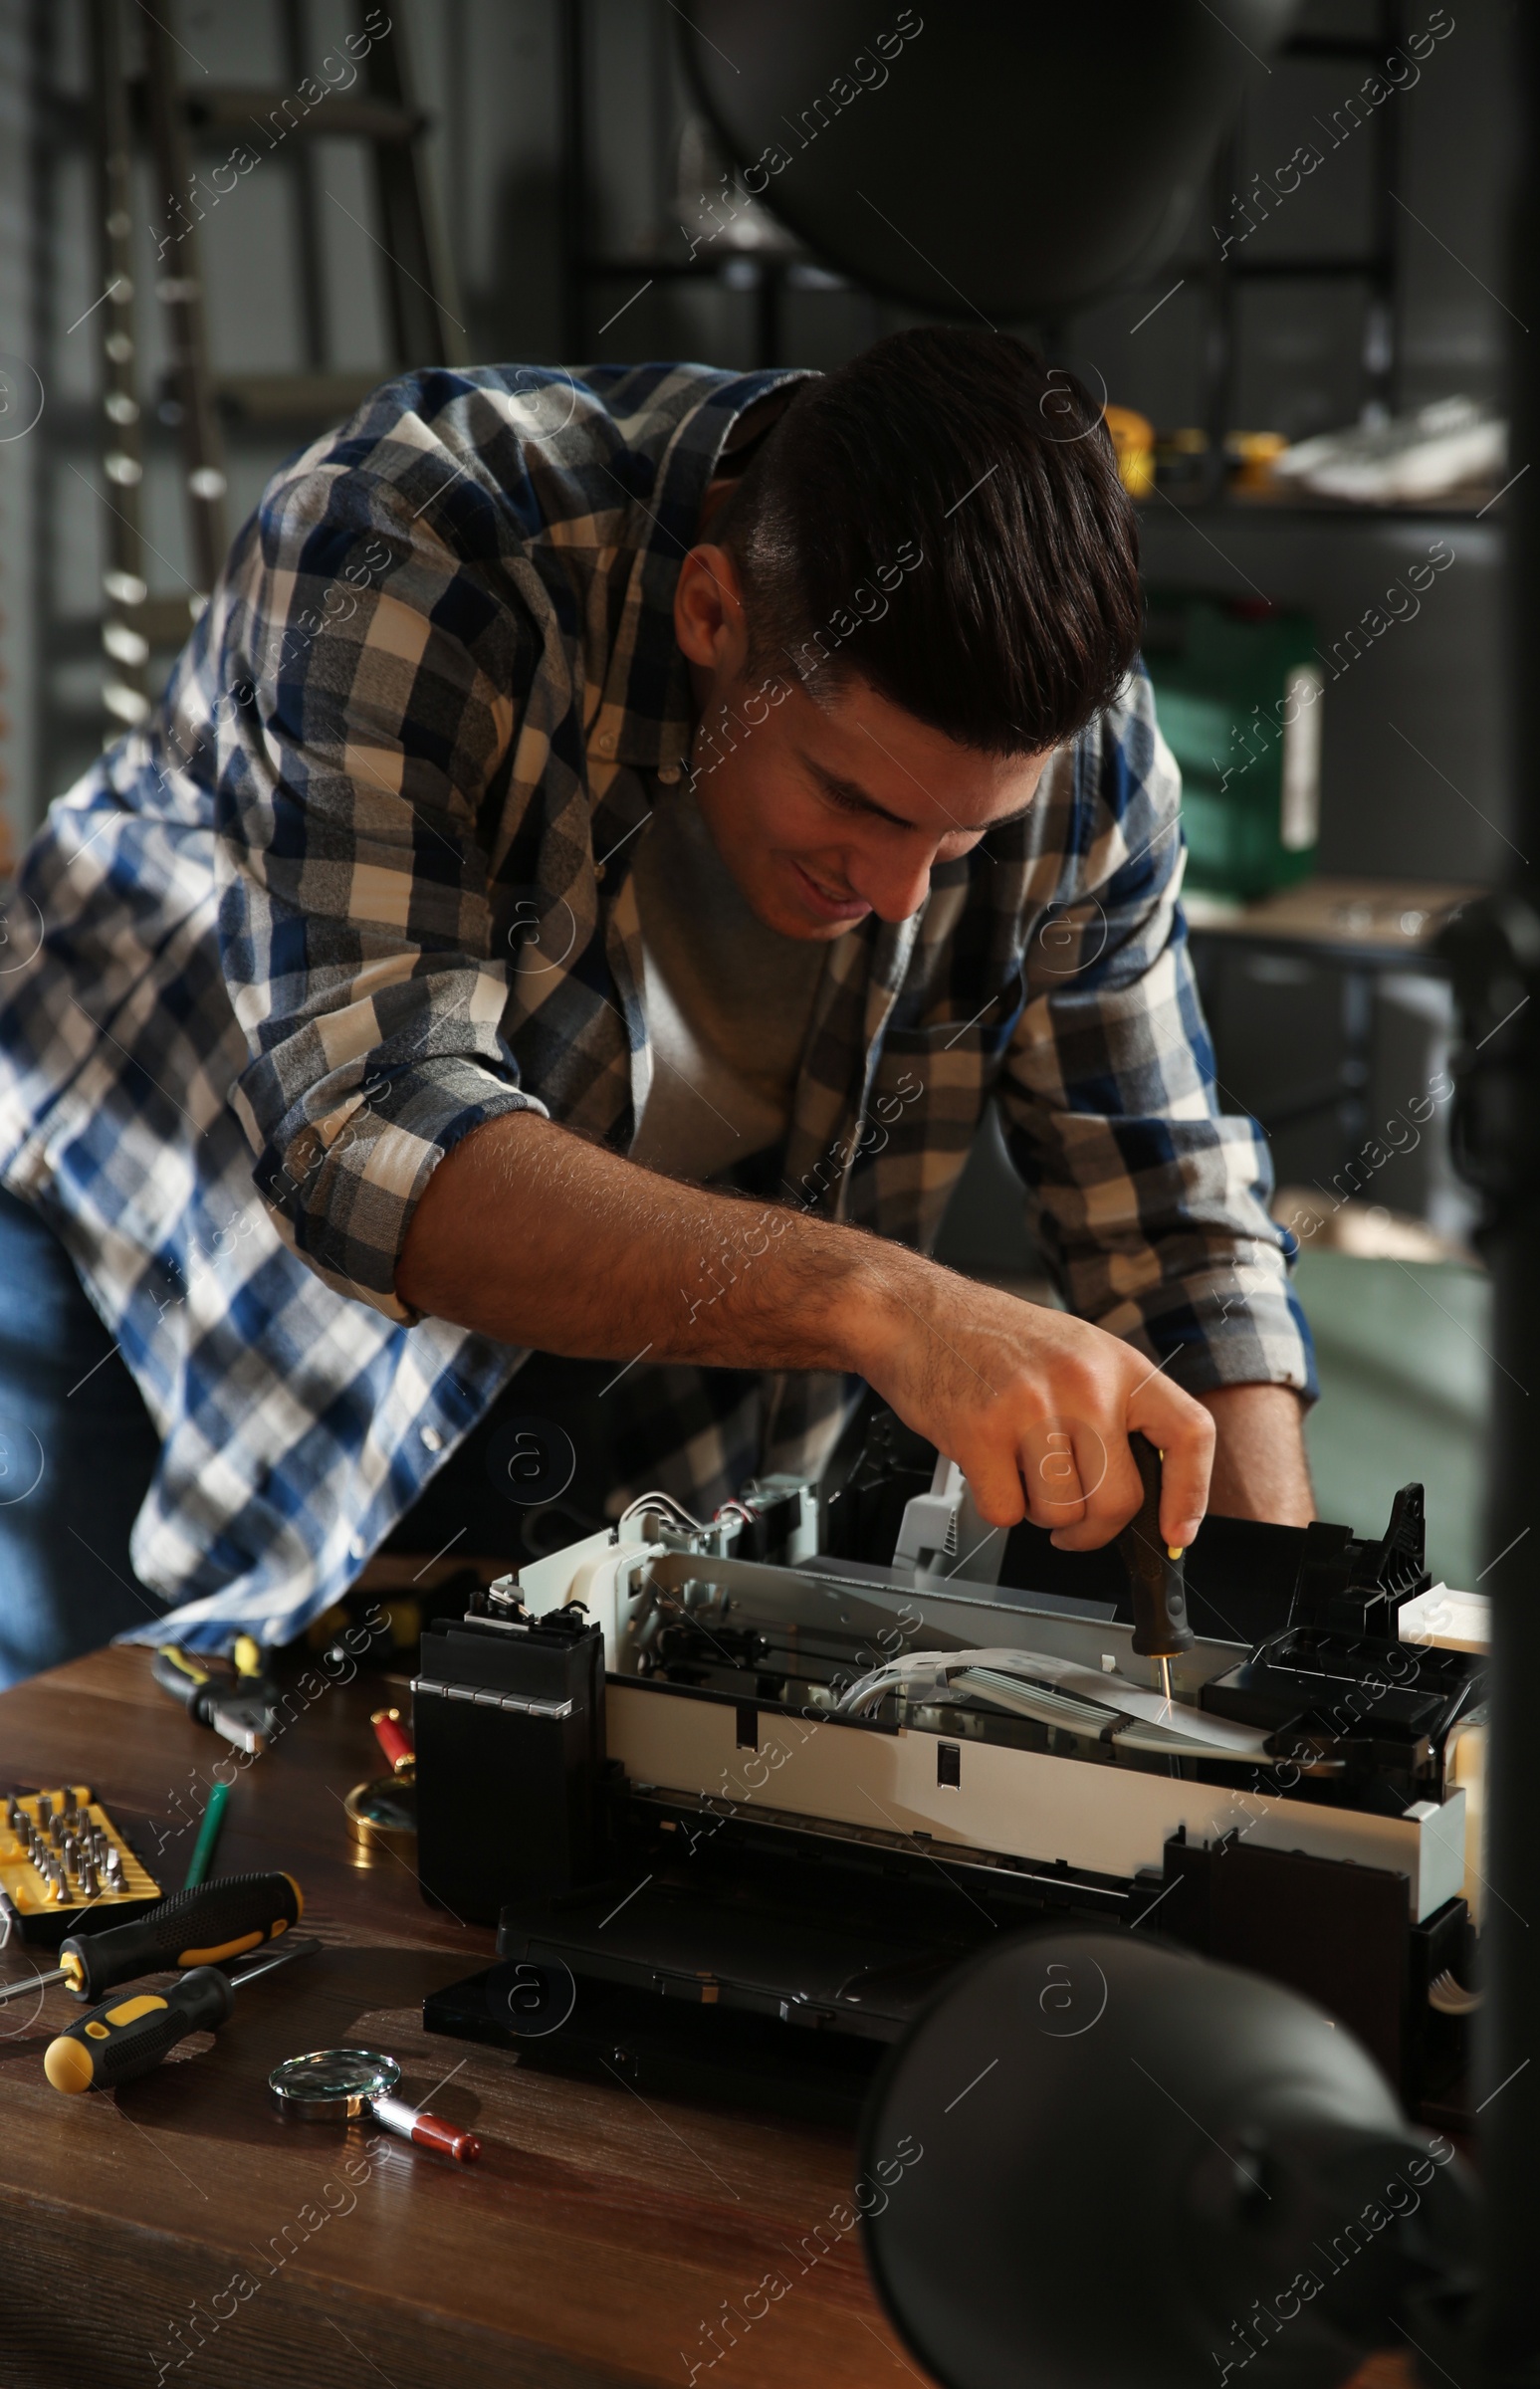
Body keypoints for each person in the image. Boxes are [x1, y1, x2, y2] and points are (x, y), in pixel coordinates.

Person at [0, 326, 1314, 1686]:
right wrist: (895, 1309)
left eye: (963, 837)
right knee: (72, 1819)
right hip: (129, 1247)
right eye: (856, 801)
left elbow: (1169, 1223)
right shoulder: (412, 537)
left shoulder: (1086, 760)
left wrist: (1277, 1632)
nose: (905, 893)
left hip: (633, 1318)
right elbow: (370, 1139)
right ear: (710, 613)